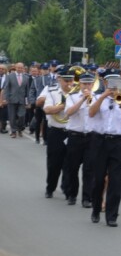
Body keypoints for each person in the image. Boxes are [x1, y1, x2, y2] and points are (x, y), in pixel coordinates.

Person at [88, 69, 121, 227]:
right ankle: (95, 208)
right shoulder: (96, 97)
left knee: (116, 180)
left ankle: (111, 215)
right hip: (100, 141)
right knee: (98, 179)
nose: (114, 86)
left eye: (117, 82)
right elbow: (91, 113)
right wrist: (102, 96)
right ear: (105, 82)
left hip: (118, 142)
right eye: (111, 82)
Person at [63, 72, 97, 207]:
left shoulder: (98, 98)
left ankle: (87, 198)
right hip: (75, 136)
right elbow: (68, 112)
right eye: (84, 83)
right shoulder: (72, 97)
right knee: (73, 168)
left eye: (89, 83)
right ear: (80, 84)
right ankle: (72, 194)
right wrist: (83, 99)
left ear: (93, 85)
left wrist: (92, 101)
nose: (87, 86)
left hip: (91, 137)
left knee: (89, 169)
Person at [41, 66, 73, 198]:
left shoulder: (77, 94)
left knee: (70, 163)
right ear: (59, 79)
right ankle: (50, 187)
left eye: (70, 80)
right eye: (65, 80)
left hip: (71, 132)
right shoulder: (52, 92)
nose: (68, 83)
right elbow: (47, 110)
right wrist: (63, 106)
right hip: (56, 132)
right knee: (54, 163)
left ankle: (67, 189)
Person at [0, 62, 30, 137]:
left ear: (23, 68)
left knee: (21, 116)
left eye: (21, 68)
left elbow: (27, 90)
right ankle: (13, 131)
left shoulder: (26, 77)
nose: (20, 69)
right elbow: (6, 88)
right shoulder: (10, 76)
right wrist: (5, 98)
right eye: (18, 67)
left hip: (22, 100)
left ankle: (20, 129)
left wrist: (28, 101)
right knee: (12, 116)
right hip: (11, 99)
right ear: (15, 68)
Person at [28, 62, 53, 144]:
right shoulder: (36, 79)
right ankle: (37, 137)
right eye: (43, 69)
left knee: (46, 121)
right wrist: (33, 102)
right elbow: (32, 91)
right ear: (40, 70)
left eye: (46, 69)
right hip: (38, 103)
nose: (45, 71)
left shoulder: (52, 79)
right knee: (38, 121)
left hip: (48, 103)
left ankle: (45, 139)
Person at [0, 64, 9, 133]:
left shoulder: (8, 78)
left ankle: (3, 127)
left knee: (3, 113)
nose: (1, 70)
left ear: (5, 70)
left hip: (4, 98)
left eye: (3, 69)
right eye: (0, 68)